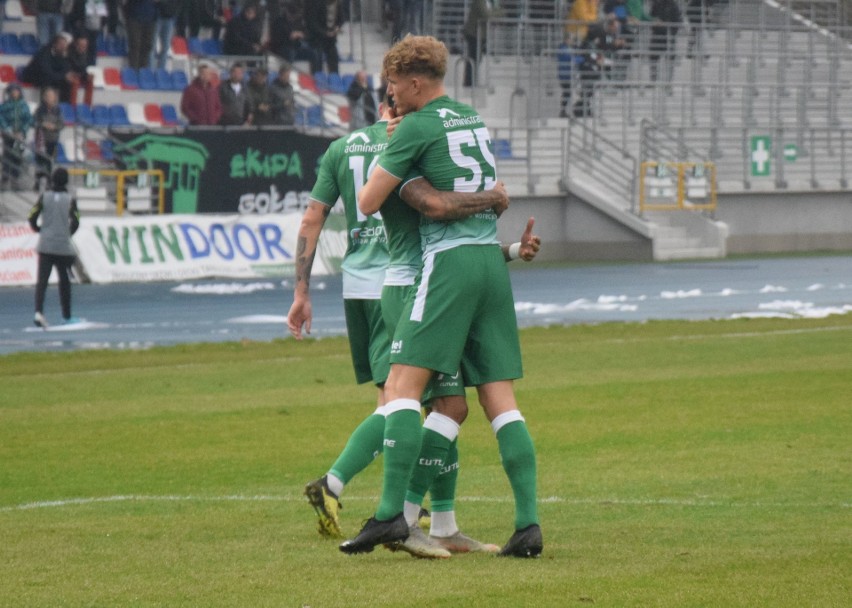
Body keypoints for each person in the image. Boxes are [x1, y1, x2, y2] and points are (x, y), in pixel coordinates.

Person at [290, 97, 518, 558]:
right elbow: (439, 206)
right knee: (434, 402)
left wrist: (301, 291)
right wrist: (496, 202)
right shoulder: (415, 139)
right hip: (414, 281)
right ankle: (394, 510)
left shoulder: (341, 148)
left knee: (415, 399)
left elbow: (313, 216)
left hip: (361, 285)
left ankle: (421, 515)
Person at [343, 35, 543, 558]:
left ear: (414, 81)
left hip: (445, 265)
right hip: (488, 267)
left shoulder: (415, 127)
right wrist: (493, 202)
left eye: (392, 84)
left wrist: (395, 150)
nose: (388, 94)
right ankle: (527, 526)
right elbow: (491, 196)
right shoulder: (469, 118)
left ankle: (390, 516)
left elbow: (368, 200)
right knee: (500, 403)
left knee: (402, 389)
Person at [28, 167, 80, 329]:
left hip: (45, 245)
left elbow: (31, 216)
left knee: (42, 281)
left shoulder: (44, 197)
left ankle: (38, 312)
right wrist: (67, 233)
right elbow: (76, 221)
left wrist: (39, 230)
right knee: (64, 281)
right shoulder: (70, 199)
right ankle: (67, 315)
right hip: (62, 246)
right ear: (66, 181)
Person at [20, 34, 77, 104]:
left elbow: (66, 69)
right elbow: (46, 71)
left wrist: (66, 76)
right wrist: (63, 76)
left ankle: (64, 106)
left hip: (52, 75)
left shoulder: (64, 54)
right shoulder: (44, 53)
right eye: (60, 44)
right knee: (47, 80)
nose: (63, 47)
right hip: (34, 76)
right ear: (54, 44)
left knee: (67, 83)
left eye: (64, 45)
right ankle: (45, 106)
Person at [269, 0, 321, 74]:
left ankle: (315, 76)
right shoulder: (278, 22)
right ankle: (287, 74)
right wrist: (289, 37)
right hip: (282, 48)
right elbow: (276, 39)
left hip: (296, 47)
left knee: (313, 53)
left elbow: (306, 33)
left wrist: (301, 34)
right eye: (291, 15)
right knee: (290, 53)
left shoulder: (298, 21)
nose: (293, 18)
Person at [0, 84, 33, 191]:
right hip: (8, 135)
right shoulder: (4, 106)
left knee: (18, 157)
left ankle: (15, 179)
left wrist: (22, 131)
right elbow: (2, 119)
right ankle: (5, 179)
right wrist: (8, 130)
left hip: (20, 136)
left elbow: (28, 120)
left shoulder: (24, 106)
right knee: (7, 156)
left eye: (16, 91)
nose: (15, 93)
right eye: (12, 91)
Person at [462, 0, 500, 87]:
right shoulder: (480, 1)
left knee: (477, 58)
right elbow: (487, 15)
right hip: (474, 34)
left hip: (480, 35)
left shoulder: (488, 2)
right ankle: (469, 83)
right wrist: (498, 12)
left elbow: (491, 13)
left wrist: (495, 12)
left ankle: (471, 82)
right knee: (473, 58)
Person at [33, 87, 64, 191]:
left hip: (52, 140)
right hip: (41, 140)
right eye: (48, 96)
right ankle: (37, 183)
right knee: (40, 162)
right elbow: (34, 121)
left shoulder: (58, 110)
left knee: (50, 162)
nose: (50, 98)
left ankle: (49, 183)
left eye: (52, 96)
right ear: (44, 97)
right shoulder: (40, 110)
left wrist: (54, 127)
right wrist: (43, 124)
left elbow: (61, 124)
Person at [304, 0, 342, 74]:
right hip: (317, 38)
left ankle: (334, 78)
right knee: (317, 57)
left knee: (334, 58)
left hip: (331, 39)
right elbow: (312, 22)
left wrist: (337, 27)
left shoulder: (338, 4)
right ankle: (317, 77)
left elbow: (341, 19)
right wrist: (324, 33)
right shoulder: (316, 3)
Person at [649, 0, 682, 83]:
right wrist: (656, 26)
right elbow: (651, 17)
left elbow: (678, 20)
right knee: (653, 57)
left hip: (669, 37)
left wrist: (672, 32)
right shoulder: (656, 4)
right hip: (657, 35)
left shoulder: (674, 5)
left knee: (670, 59)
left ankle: (668, 82)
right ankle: (654, 79)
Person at [125, 0, 158, 69]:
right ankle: (134, 71)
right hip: (134, 17)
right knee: (135, 45)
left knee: (147, 46)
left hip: (151, 18)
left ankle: (143, 71)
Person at [150, 0, 179, 70]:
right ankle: (150, 70)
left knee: (166, 46)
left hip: (169, 17)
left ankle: (161, 70)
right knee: (152, 46)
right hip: (156, 16)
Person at [67, 35, 95, 107]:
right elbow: (72, 68)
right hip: (70, 76)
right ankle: (73, 106)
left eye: (85, 46)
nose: (83, 48)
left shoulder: (85, 55)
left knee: (90, 81)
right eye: (81, 45)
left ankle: (87, 106)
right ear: (76, 45)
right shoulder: (70, 54)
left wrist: (87, 75)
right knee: (75, 81)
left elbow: (83, 69)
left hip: (80, 75)